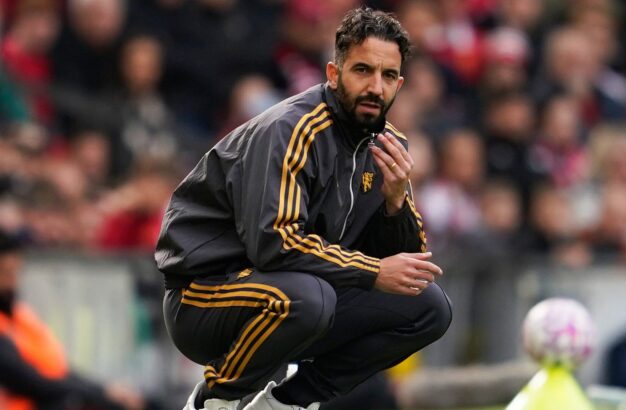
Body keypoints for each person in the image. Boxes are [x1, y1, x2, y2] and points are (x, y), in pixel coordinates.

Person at [155, 7, 452, 410]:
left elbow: (404, 268)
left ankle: (286, 403)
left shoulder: (388, 145)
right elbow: (275, 245)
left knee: (429, 307)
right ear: (334, 73)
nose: (375, 87)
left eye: (387, 76)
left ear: (399, 83)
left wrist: (395, 202)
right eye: (362, 70)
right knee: (311, 298)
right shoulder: (291, 129)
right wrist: (372, 271)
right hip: (203, 298)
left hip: (301, 299)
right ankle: (213, 401)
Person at [0, 230, 144, 409]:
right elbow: (32, 382)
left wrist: (106, 391)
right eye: (5, 272)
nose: (12, 281)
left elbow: (58, 368)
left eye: (15, 271)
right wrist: (101, 395)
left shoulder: (21, 315)